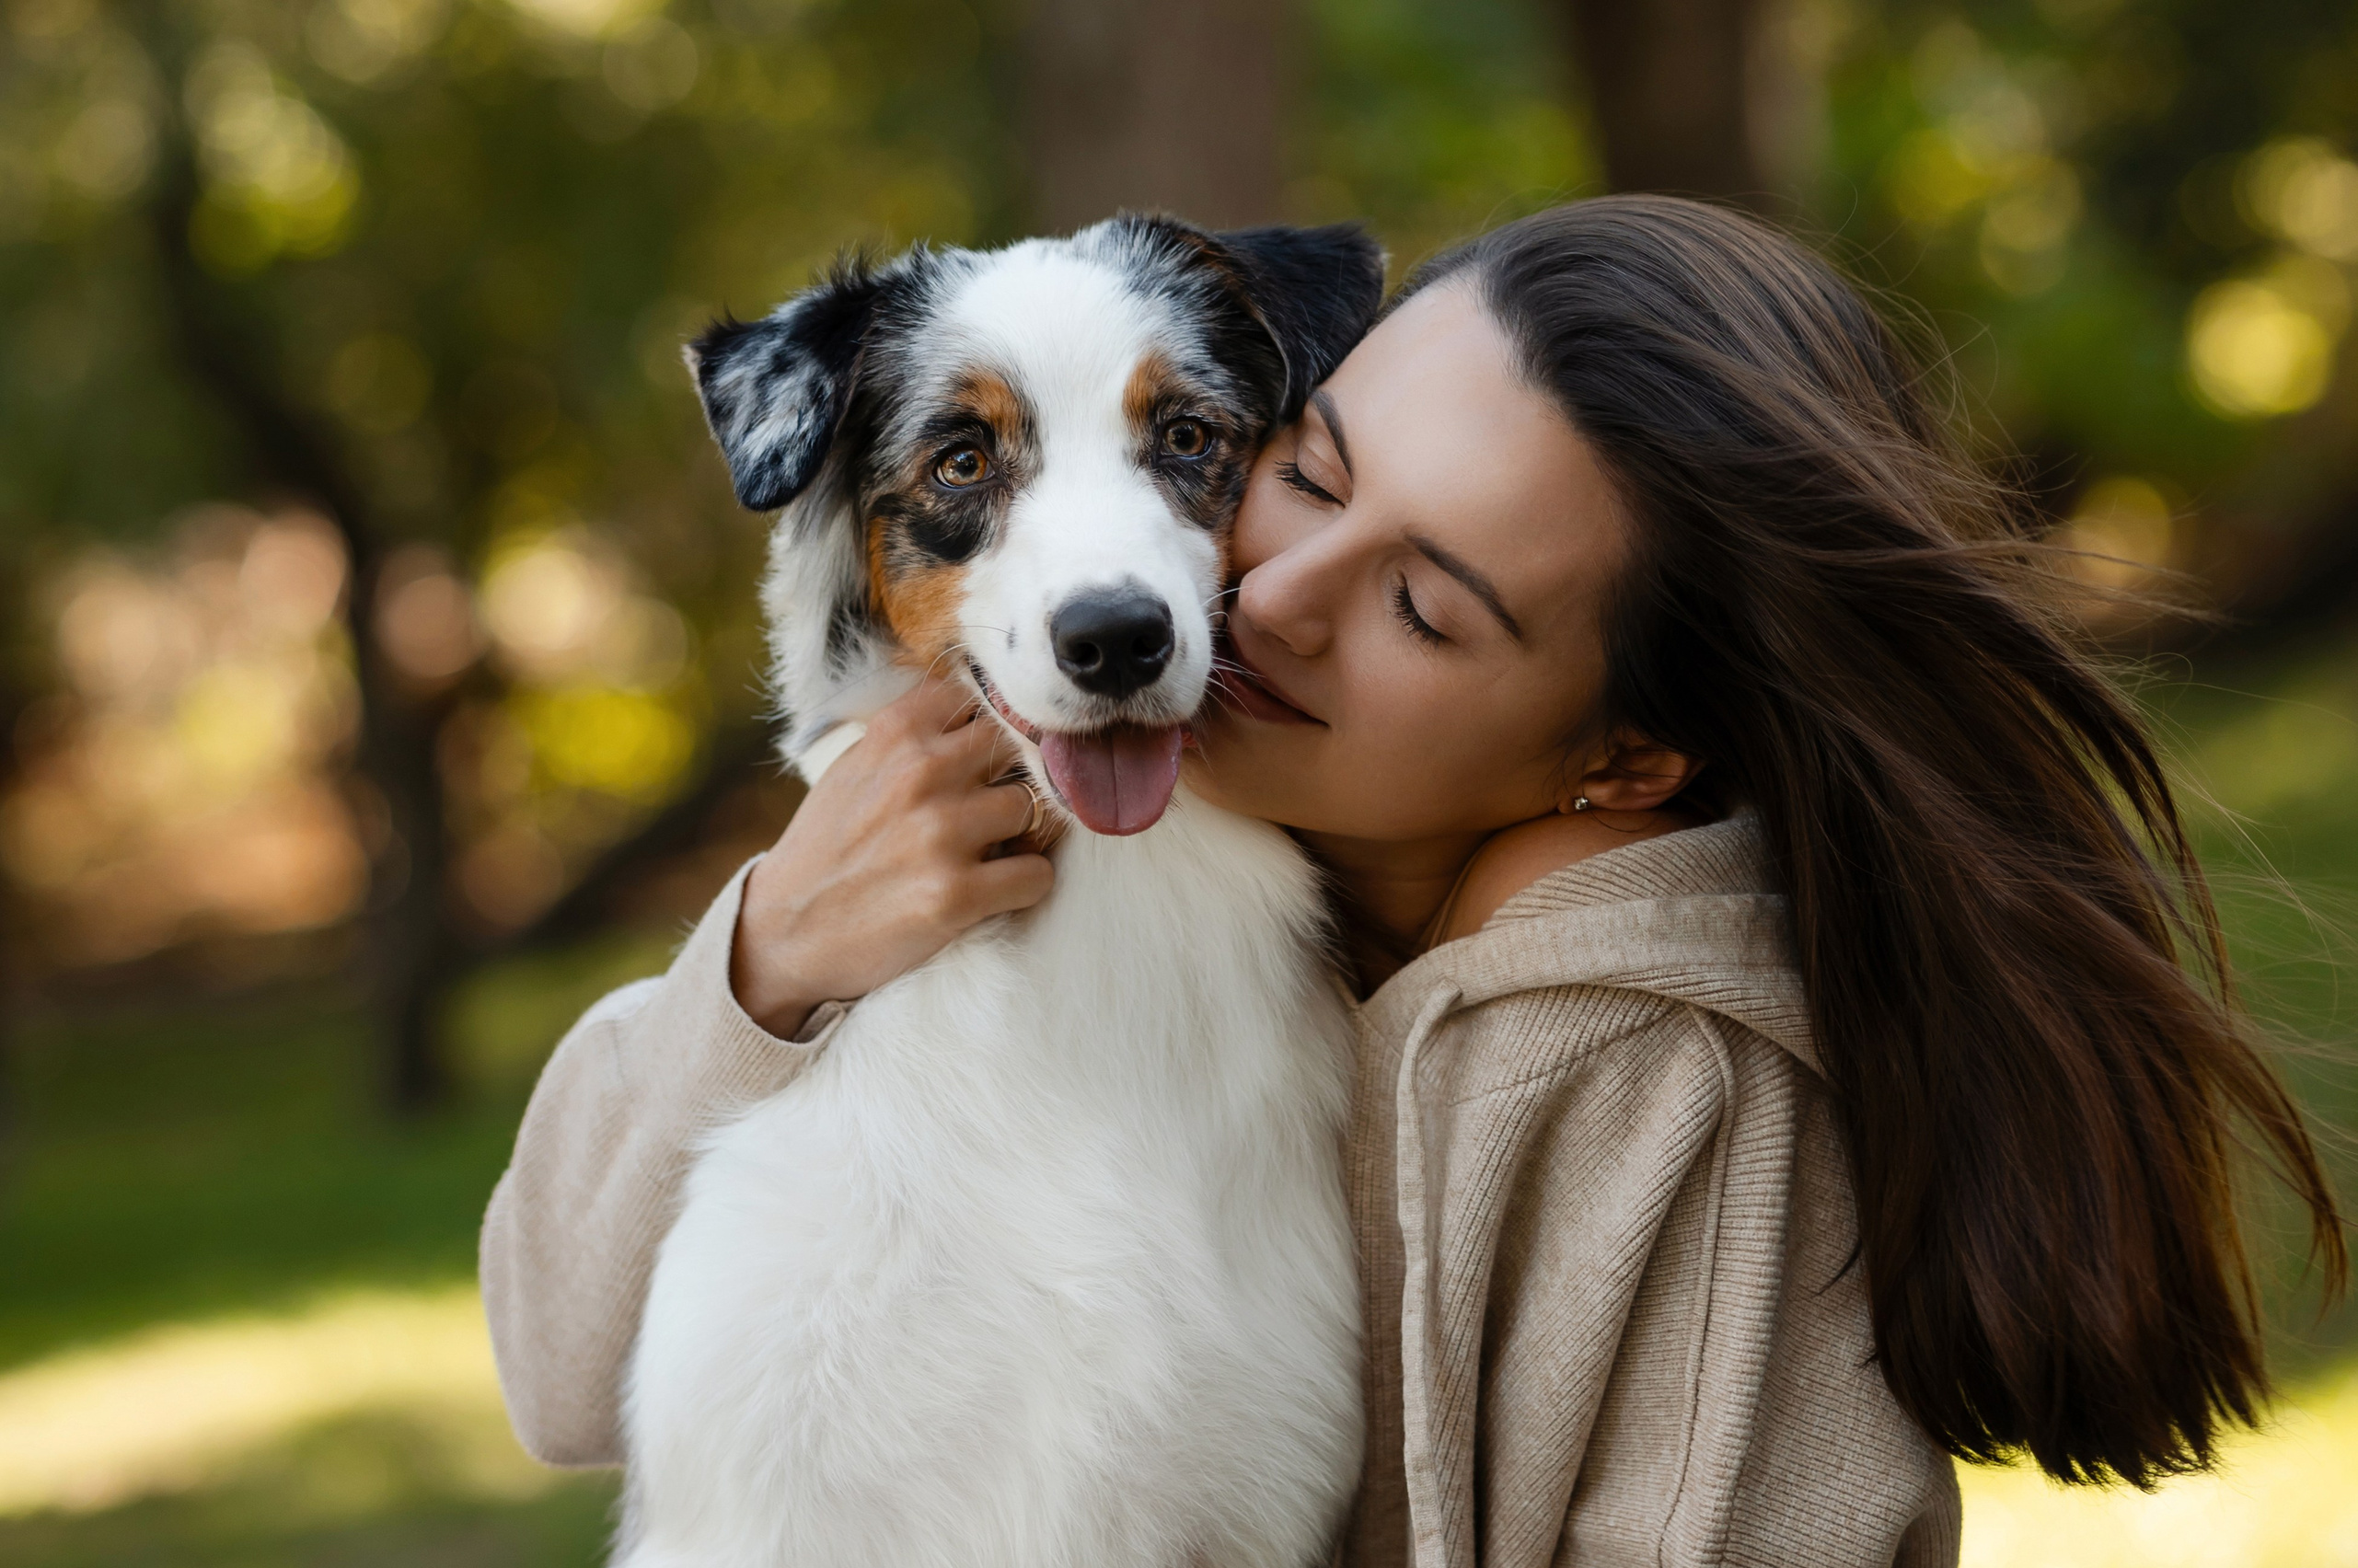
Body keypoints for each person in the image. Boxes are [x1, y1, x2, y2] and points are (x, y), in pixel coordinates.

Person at [480, 197, 2345, 1566]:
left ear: (1628, 757)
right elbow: (561, 1373)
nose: (1268, 599)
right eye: (1303, 475)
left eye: (1426, 609)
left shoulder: (1641, 1074)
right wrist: (766, 965)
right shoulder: (1067, 881)